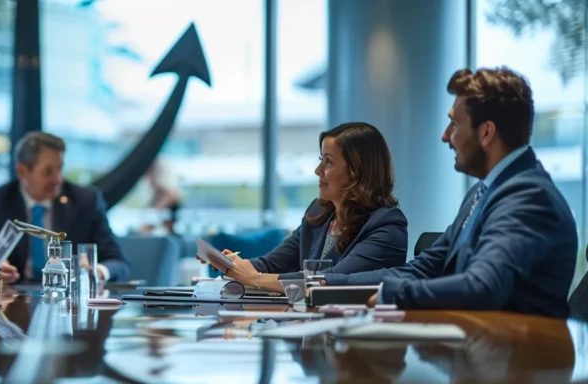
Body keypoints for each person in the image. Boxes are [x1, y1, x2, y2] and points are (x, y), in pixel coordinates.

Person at [320, 67, 575, 318]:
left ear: (486, 132)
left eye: (454, 123)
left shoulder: (528, 197)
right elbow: (422, 269)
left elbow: (481, 287)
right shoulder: (484, 192)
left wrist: (394, 295)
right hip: (484, 351)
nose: (445, 136)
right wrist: (326, 283)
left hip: (521, 357)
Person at [200, 122, 408, 292]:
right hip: (310, 326)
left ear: (357, 170)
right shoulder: (318, 213)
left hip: (355, 334)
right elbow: (273, 264)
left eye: (328, 162)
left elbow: (331, 281)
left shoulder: (388, 226)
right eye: (321, 160)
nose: (318, 170)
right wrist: (233, 266)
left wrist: (255, 278)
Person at [0, 132, 129, 284]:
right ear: (23, 172)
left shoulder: (86, 201)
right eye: (48, 172)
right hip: (11, 307)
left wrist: (96, 271)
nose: (58, 179)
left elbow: (118, 263)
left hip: (68, 307)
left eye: (60, 170)